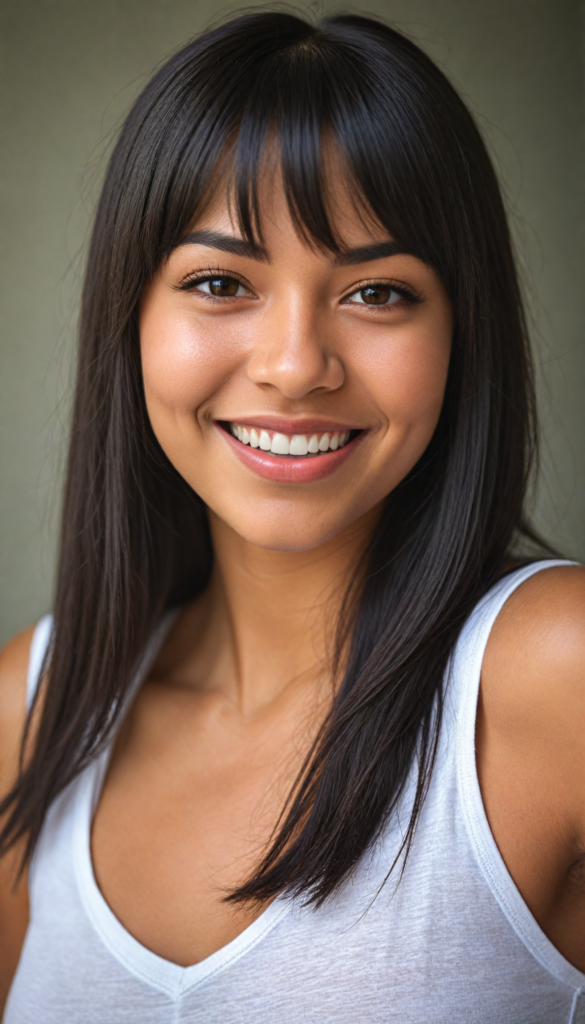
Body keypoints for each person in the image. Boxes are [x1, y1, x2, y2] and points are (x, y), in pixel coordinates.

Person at [0, 10, 584, 1022]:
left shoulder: (556, 676)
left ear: (462, 332)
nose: (294, 364)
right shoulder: (27, 713)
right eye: (221, 281)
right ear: (130, 319)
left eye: (378, 293)